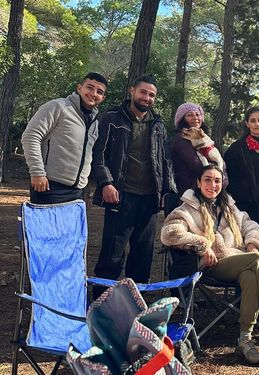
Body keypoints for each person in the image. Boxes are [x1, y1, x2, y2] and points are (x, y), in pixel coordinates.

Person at [161, 165, 259, 364]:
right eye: (207, 179)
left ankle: (245, 339)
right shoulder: (187, 208)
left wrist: (251, 242)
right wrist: (202, 244)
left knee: (250, 274)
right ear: (198, 182)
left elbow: (251, 225)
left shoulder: (229, 207)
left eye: (217, 181)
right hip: (209, 264)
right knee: (257, 259)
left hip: (238, 261)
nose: (213, 185)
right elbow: (170, 233)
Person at [91, 74, 176, 297]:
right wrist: (106, 182)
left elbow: (165, 161)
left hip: (149, 199)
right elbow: (98, 153)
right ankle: (100, 305)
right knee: (112, 254)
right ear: (132, 91)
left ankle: (135, 307)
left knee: (142, 255)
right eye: (143, 92)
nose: (147, 97)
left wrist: (168, 191)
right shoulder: (111, 118)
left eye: (151, 95)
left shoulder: (158, 125)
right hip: (121, 195)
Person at [21, 72, 108, 204]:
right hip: (49, 187)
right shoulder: (58, 107)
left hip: (77, 192)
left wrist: (84, 188)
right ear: (79, 88)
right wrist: (37, 172)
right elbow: (30, 136)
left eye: (99, 91)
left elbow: (87, 156)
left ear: (103, 98)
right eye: (89, 87)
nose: (94, 93)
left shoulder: (95, 122)